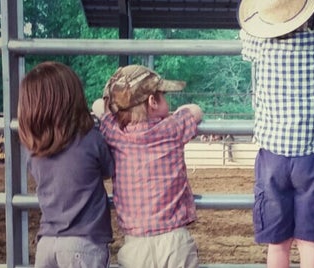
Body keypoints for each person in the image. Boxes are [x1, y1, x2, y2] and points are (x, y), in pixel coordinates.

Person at [238, 0, 314, 267]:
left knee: (277, 244)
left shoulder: (260, 45)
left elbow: (243, 32)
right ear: (306, 16)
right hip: (312, 157)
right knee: (310, 241)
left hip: (272, 157)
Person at [97, 64, 203, 268]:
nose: (169, 103)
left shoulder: (114, 132)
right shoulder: (172, 128)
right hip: (174, 240)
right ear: (153, 101)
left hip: (135, 244)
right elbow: (196, 111)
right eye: (164, 96)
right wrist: (179, 112)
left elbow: (97, 107)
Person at [17, 61, 115, 268]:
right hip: (84, 243)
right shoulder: (91, 139)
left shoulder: (33, 151)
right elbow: (109, 170)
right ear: (73, 99)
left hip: (46, 243)